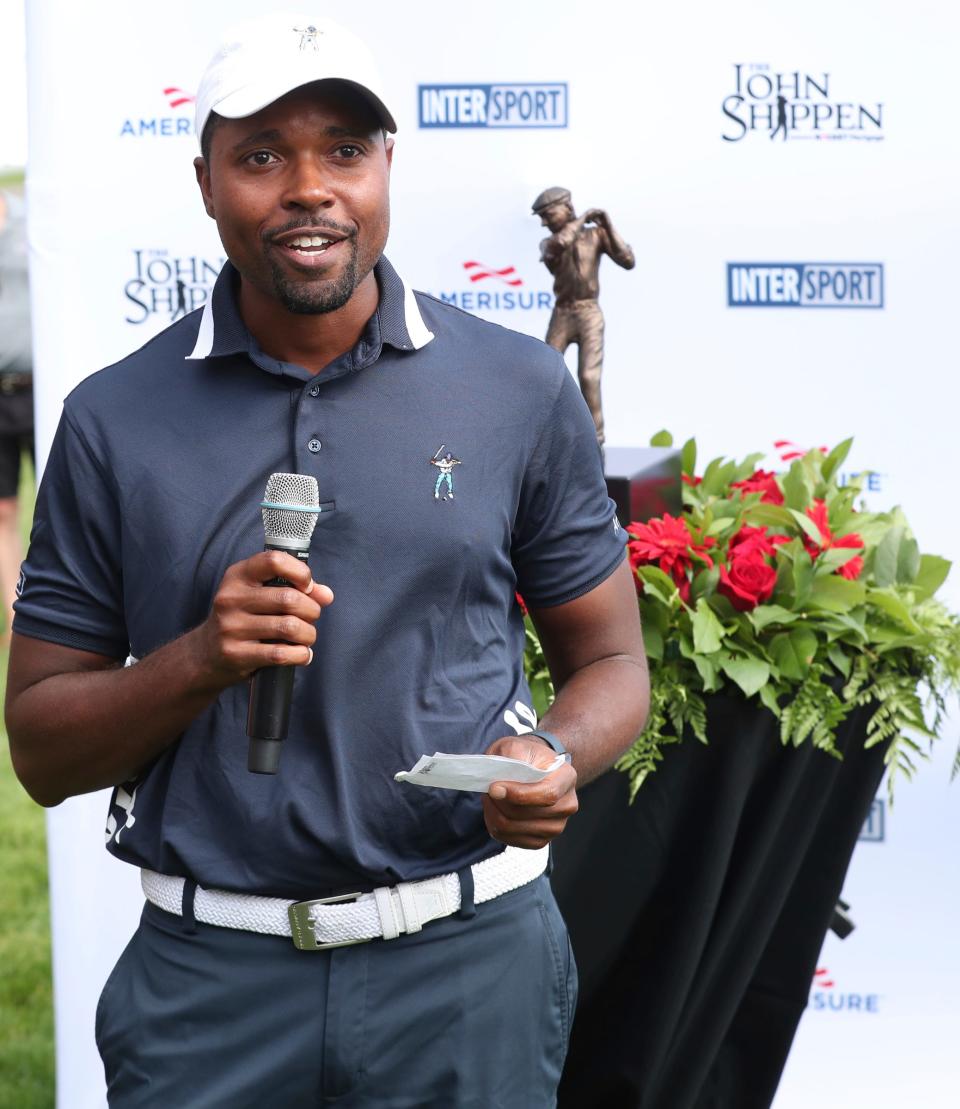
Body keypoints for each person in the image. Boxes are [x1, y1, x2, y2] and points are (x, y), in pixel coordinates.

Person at [6, 14, 648, 1108]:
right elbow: (42, 748)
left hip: (465, 969)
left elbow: (613, 665)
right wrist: (203, 657)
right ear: (205, 179)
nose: (310, 187)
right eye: (261, 155)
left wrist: (550, 755)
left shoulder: (515, 390)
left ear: (388, 165)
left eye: (344, 150)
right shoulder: (114, 418)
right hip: (211, 989)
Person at [532, 187, 635, 449]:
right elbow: (559, 244)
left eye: (547, 214)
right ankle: (542, 438)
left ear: (566, 206)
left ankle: (596, 441)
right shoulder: (549, 242)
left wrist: (607, 224)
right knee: (546, 373)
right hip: (563, 313)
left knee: (589, 377)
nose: (544, 222)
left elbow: (627, 260)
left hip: (589, 312)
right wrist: (584, 216)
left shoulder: (596, 235)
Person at [0, 186, 34, 645]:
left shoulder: (34, 216)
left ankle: (60, 612)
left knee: (63, 501)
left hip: (40, 386)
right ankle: (15, 618)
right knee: (2, 509)